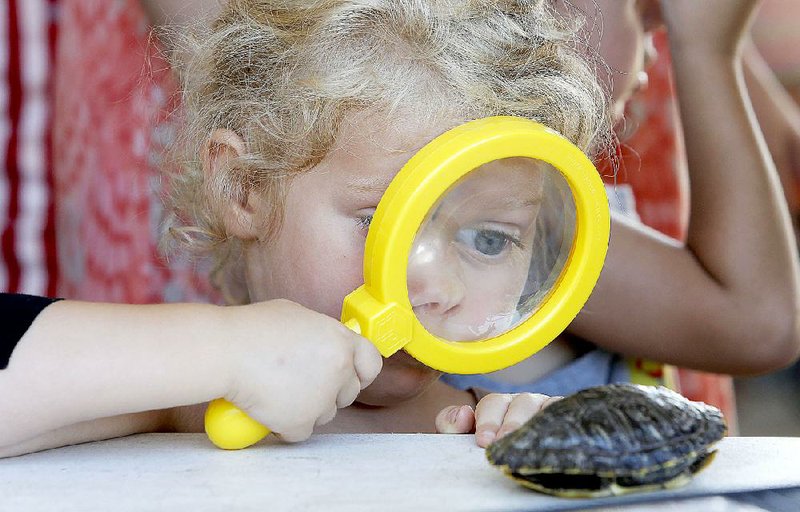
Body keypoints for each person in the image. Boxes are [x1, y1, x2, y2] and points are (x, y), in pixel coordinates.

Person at [1, 0, 797, 459]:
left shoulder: (485, 436)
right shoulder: (168, 401)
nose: (433, 286)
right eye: (380, 221)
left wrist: (544, 458)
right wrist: (208, 363)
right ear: (242, 187)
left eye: (490, 240)